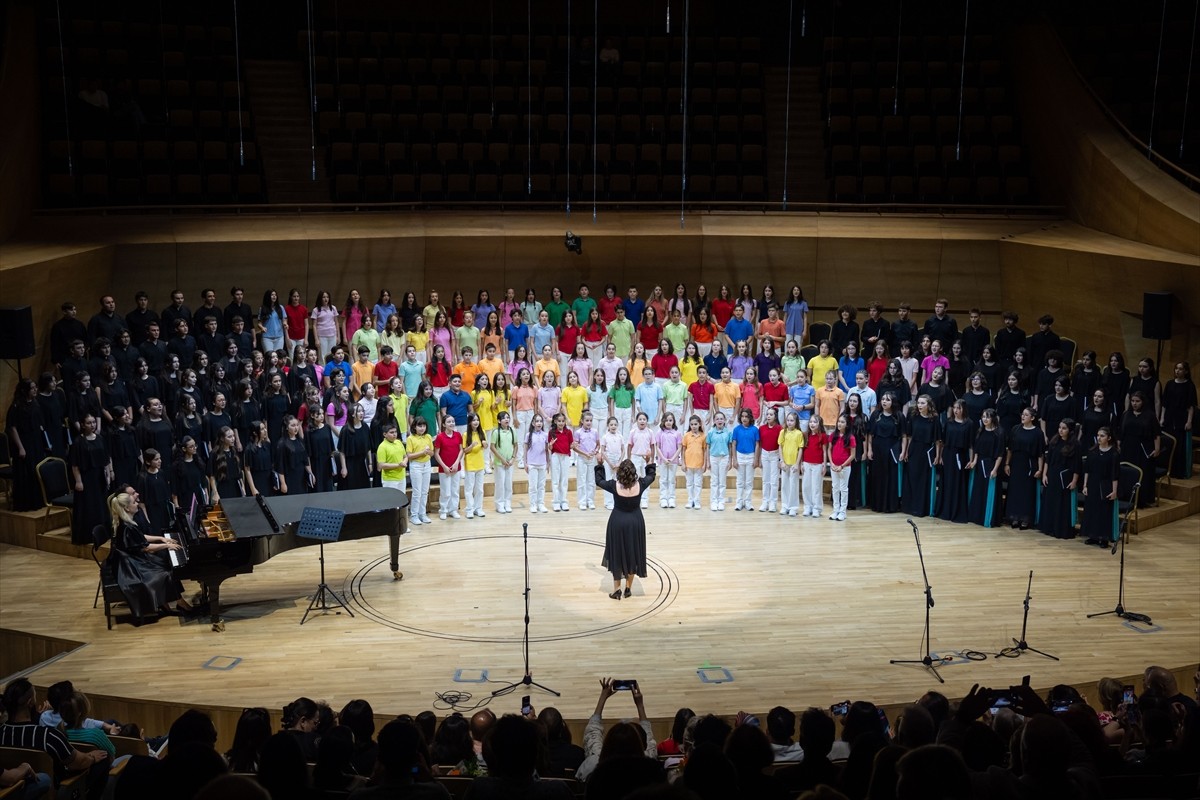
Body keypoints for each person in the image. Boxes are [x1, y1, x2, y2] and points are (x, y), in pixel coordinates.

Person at [106, 490, 189, 620]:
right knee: (165, 572)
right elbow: (146, 548)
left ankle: (170, 602)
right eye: (134, 502)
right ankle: (172, 603)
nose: (137, 503)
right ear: (127, 508)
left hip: (132, 560)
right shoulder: (127, 526)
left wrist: (160, 538)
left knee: (167, 565)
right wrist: (166, 545)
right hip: (130, 567)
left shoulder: (127, 522)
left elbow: (140, 538)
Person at [596, 458, 656, 599]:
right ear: (634, 472)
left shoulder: (613, 485)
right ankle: (628, 588)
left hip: (617, 522)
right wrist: (648, 462)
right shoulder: (640, 484)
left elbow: (599, 481)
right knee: (633, 553)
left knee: (617, 554)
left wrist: (599, 465)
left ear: (620, 473)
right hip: (635, 522)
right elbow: (651, 476)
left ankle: (617, 590)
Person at [1040, 419, 1082, 539]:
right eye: (1060, 427)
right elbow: (1048, 460)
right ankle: (1049, 527)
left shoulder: (1076, 445)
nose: (1060, 430)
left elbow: (1077, 465)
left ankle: (1061, 529)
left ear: (1070, 430)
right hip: (1052, 475)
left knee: (1062, 504)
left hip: (1065, 477)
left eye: (1064, 428)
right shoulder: (1054, 441)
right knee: (1051, 502)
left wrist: (1074, 481)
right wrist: (1044, 474)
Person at [1005, 407, 1046, 529]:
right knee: (1015, 491)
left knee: (1027, 493)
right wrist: (1007, 463)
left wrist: (1039, 469)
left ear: (1032, 418)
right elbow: (1010, 449)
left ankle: (1025, 519)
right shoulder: (1015, 429)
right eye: (1022, 414)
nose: (1023, 416)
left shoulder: (1038, 433)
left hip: (1029, 465)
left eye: (1026, 415)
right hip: (1016, 463)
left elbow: (1040, 453)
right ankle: (1014, 517)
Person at [867, 392, 907, 513]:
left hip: (892, 449)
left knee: (891, 478)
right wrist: (869, 449)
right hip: (877, 449)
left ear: (893, 402)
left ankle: (890, 505)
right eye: (883, 399)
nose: (884, 401)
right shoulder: (876, 415)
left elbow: (904, 435)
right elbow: (870, 434)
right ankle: (877, 504)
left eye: (888, 400)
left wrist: (903, 451)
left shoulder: (899, 416)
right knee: (877, 476)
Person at [1120, 391, 1161, 507]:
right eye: (1132, 401)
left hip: (1144, 448)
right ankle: (1128, 497)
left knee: (1144, 473)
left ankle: (1143, 499)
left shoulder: (1150, 415)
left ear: (1143, 402)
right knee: (1127, 472)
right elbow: (1120, 432)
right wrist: (1118, 445)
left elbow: (1156, 433)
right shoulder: (1126, 414)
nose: (1134, 403)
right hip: (1127, 447)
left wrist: (1157, 448)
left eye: (1137, 401)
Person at [939, 400, 975, 524]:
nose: (955, 410)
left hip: (961, 455)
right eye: (954, 407)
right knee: (947, 482)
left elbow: (971, 444)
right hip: (948, 454)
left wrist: (971, 460)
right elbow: (943, 441)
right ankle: (945, 510)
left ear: (963, 409)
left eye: (958, 408)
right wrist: (941, 456)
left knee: (959, 483)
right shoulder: (948, 422)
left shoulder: (969, 424)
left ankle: (957, 511)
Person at [968, 409, 1006, 528]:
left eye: (987, 417)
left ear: (993, 419)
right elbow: (977, 449)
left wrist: (995, 469)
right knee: (979, 491)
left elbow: (1000, 454)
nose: (985, 419)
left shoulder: (999, 433)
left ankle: (988, 518)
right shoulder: (981, 431)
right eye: (983, 416)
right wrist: (974, 461)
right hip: (980, 465)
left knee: (989, 492)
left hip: (991, 464)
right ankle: (976, 517)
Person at [1161, 361, 1196, 478]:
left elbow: (1191, 406)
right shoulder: (1169, 384)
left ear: (1186, 371)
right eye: (1176, 368)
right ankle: (1166, 469)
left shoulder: (1190, 385)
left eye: (1180, 369)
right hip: (1169, 417)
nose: (1177, 371)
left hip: (1182, 418)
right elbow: (1164, 404)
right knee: (1168, 444)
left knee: (1180, 446)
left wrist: (1189, 421)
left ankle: (1179, 471)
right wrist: (1162, 418)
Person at [406, 417, 435, 525]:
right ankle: (414, 515)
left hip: (427, 465)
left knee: (425, 491)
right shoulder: (410, 438)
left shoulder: (428, 437)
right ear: (414, 427)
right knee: (417, 492)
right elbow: (409, 456)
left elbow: (432, 453)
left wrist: (428, 452)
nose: (422, 428)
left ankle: (422, 513)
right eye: (419, 426)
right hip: (416, 466)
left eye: (423, 426)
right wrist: (422, 453)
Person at [800, 415, 829, 518]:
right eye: (811, 422)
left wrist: (824, 465)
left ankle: (817, 508)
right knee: (806, 486)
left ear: (819, 424)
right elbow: (802, 450)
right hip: (807, 463)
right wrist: (802, 463)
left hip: (818, 464)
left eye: (815, 422)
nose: (812, 424)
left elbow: (825, 451)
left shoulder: (823, 436)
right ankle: (808, 506)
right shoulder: (806, 435)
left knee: (816, 487)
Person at [828, 414, 856, 521]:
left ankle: (842, 511)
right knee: (835, 488)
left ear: (847, 424)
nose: (839, 424)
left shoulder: (851, 438)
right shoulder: (833, 436)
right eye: (839, 421)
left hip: (845, 467)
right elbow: (829, 450)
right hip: (834, 466)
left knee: (843, 489)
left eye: (842, 422)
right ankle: (835, 510)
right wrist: (831, 463)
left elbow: (852, 455)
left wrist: (842, 466)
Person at [705, 412, 734, 511]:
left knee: (722, 481)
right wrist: (707, 461)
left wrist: (730, 461)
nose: (719, 420)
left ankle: (721, 501)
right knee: (714, 481)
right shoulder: (710, 432)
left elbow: (730, 447)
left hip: (724, 458)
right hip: (713, 458)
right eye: (717, 419)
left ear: (725, 420)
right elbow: (708, 447)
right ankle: (713, 501)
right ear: (714, 421)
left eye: (721, 418)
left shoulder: (728, 432)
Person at [525, 414, 549, 513]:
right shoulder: (528, 435)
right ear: (533, 423)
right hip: (532, 464)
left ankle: (541, 504)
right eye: (537, 421)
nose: (539, 423)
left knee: (541, 486)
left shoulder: (545, 435)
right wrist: (526, 463)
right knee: (533, 486)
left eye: (540, 421)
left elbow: (547, 450)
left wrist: (548, 463)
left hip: (542, 463)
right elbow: (525, 449)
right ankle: (533, 504)